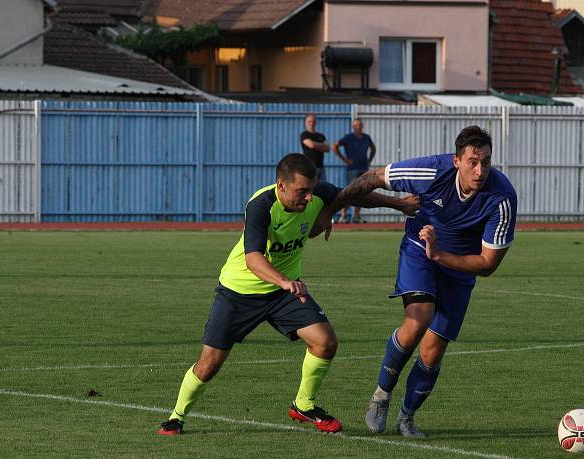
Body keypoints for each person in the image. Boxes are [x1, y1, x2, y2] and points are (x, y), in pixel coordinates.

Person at [158, 153, 418, 436]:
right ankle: (176, 417)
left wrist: (397, 203)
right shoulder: (261, 205)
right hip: (240, 291)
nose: (308, 198)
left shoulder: (314, 193)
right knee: (209, 364)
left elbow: (350, 195)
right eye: (301, 192)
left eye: (312, 191)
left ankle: (304, 405)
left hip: (282, 292)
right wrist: (284, 281)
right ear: (281, 185)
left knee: (325, 342)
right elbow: (253, 259)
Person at [317, 126, 517, 439]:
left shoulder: (502, 197)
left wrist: (440, 255)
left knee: (433, 351)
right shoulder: (429, 171)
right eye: (473, 162)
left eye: (486, 162)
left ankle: (407, 417)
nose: (480, 171)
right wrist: (331, 208)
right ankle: (381, 395)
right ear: (456, 161)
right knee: (417, 320)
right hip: (418, 251)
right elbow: (372, 178)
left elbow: (488, 264)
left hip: (459, 266)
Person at [332, 118, 376, 223]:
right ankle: (343, 216)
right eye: (355, 125)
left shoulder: (366, 137)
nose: (358, 127)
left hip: (363, 169)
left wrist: (369, 160)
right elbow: (334, 146)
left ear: (362, 126)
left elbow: (373, 148)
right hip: (352, 169)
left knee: (361, 193)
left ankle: (356, 216)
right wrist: (344, 159)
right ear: (353, 127)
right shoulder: (349, 138)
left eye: (359, 125)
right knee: (349, 192)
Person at [300, 114, 330, 181]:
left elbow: (327, 148)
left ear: (316, 122)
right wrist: (322, 145)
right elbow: (311, 145)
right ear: (305, 123)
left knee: (323, 187)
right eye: (309, 121)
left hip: (320, 167)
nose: (311, 123)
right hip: (309, 167)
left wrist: (315, 145)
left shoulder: (321, 135)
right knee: (311, 187)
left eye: (313, 121)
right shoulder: (304, 134)